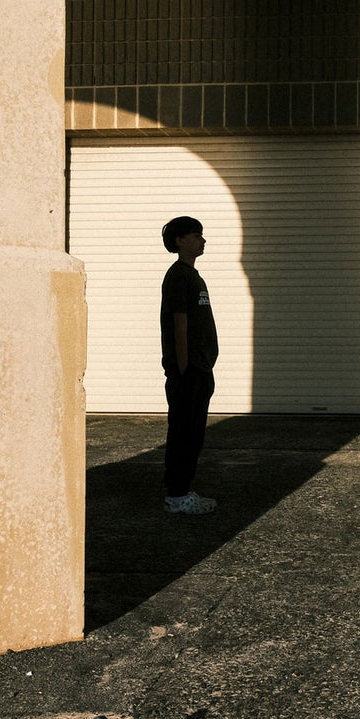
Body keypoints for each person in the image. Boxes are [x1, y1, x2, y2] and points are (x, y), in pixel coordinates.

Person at [158, 215, 219, 514]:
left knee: (193, 433)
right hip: (189, 371)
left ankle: (183, 490)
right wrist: (184, 369)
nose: (202, 240)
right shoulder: (178, 276)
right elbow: (178, 323)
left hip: (199, 368)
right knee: (184, 431)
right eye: (196, 235)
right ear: (181, 240)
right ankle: (178, 495)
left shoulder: (193, 276)